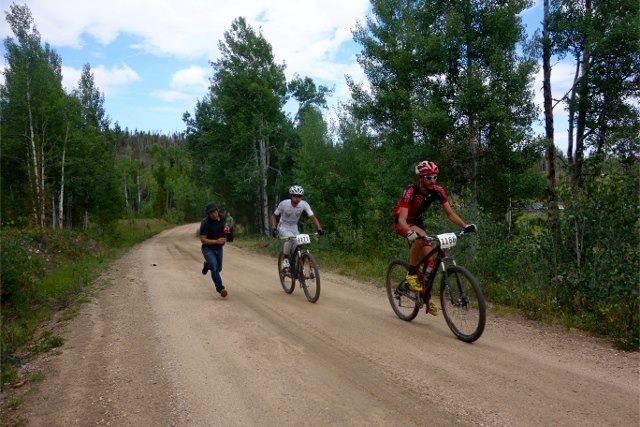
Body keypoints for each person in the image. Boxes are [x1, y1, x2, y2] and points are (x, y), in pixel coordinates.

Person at [393, 161, 477, 315]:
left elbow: (450, 214)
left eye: (435, 177)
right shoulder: (411, 191)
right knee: (421, 238)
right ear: (420, 178)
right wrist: (411, 233)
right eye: (428, 177)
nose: (433, 180)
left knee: (430, 263)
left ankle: (425, 296)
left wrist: (465, 226)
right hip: (402, 221)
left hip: (417, 221)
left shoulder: (438, 191)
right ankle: (411, 273)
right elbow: (402, 220)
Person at [270, 185, 324, 271]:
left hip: (294, 227)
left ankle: (296, 263)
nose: (297, 198)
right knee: (291, 239)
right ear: (291, 195)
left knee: (299, 243)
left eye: (299, 196)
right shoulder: (284, 204)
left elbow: (312, 217)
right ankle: (285, 259)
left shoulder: (304, 204)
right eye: (295, 195)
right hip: (283, 226)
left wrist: (319, 228)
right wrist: (274, 228)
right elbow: (274, 216)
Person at [200, 203, 228, 298]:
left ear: (217, 210)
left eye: (214, 211)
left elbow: (227, 230)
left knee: (218, 269)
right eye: (210, 213)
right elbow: (203, 239)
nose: (213, 214)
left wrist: (228, 231)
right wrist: (216, 241)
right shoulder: (205, 223)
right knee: (215, 267)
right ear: (208, 214)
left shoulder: (223, 219)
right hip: (208, 248)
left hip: (219, 249)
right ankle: (220, 288)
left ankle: (207, 265)